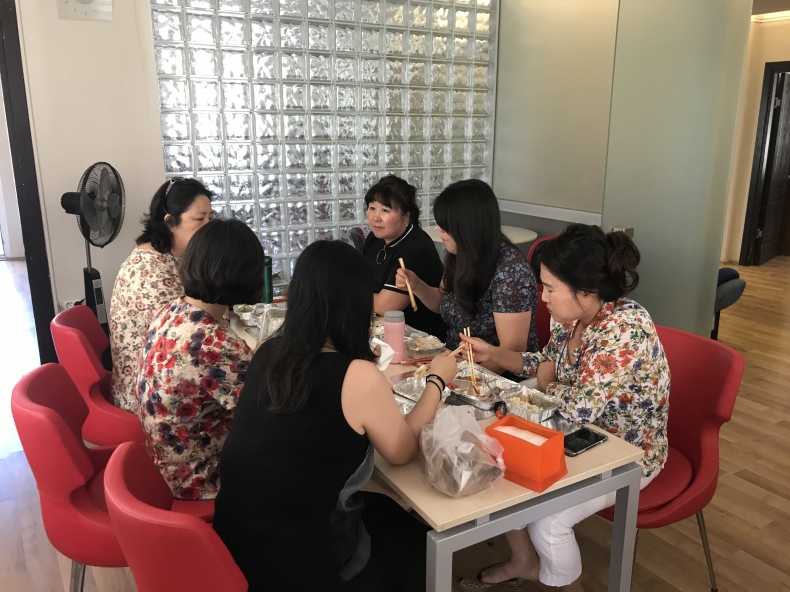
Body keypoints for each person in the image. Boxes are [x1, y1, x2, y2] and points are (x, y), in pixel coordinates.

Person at [213, 240, 457, 592]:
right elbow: (402, 452)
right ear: (356, 305)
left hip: (234, 550)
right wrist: (436, 380)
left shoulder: (268, 352)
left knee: (387, 507)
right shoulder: (357, 376)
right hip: (302, 567)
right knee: (419, 543)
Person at [458, 224, 670, 592]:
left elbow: (580, 408)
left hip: (628, 453)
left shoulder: (624, 328)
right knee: (500, 468)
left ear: (585, 290)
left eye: (550, 288)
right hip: (577, 436)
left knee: (549, 524)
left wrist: (546, 381)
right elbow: (544, 363)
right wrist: (494, 354)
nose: (543, 298)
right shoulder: (572, 318)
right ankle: (524, 562)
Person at [135, 218, 264, 500]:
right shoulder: (214, 342)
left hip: (161, 465)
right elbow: (269, 415)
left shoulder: (172, 310)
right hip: (199, 479)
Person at [396, 179, 538, 373]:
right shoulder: (461, 254)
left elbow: (512, 351)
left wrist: (462, 379)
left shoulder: (511, 272)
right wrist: (416, 285)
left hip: (494, 377)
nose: (439, 228)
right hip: (456, 363)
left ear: (467, 227)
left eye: (446, 225)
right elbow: (444, 302)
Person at [110, 178, 214, 412]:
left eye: (211, 218)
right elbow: (189, 337)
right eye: (199, 219)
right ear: (170, 222)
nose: (209, 227)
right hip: (146, 396)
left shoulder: (174, 257)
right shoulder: (149, 270)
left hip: (166, 375)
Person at [362, 175, 447, 339]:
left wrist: (353, 294)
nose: (376, 217)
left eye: (385, 210)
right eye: (372, 208)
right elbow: (358, 279)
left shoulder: (416, 248)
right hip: (380, 328)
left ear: (406, 216)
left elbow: (386, 307)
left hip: (419, 338)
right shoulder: (375, 238)